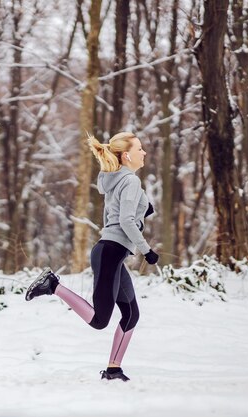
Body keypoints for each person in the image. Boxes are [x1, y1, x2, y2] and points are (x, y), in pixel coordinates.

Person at [25, 131, 158, 382]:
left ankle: (113, 369)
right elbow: (126, 221)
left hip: (112, 252)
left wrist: (143, 210)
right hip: (111, 252)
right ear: (127, 154)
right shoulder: (129, 181)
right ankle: (53, 286)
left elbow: (126, 213)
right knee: (99, 320)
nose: (144, 153)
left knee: (131, 315)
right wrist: (147, 250)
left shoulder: (117, 179)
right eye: (140, 148)